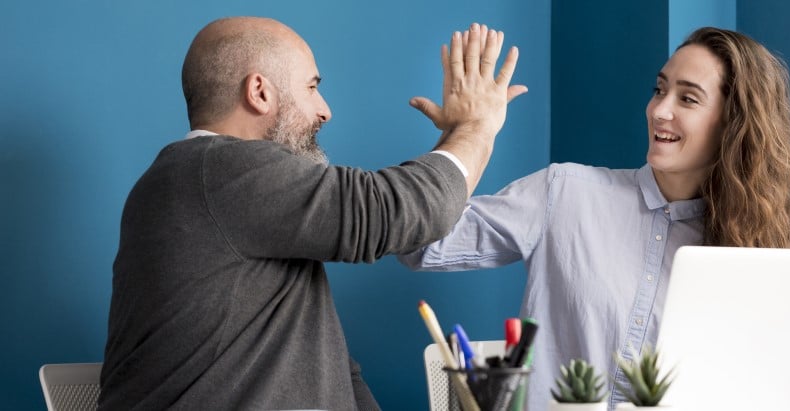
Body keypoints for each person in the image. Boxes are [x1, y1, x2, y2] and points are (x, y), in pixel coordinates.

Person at [99, 17, 526, 410]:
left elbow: (330, 365)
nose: (325, 109)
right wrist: (477, 127)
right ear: (260, 92)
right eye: (311, 87)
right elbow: (391, 212)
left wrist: (463, 134)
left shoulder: (212, 188)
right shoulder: (216, 170)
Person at [399, 27, 790, 411]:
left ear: (733, 123)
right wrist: (469, 133)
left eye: (688, 99)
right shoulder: (566, 192)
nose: (660, 110)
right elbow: (419, 243)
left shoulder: (745, 250)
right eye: (660, 90)